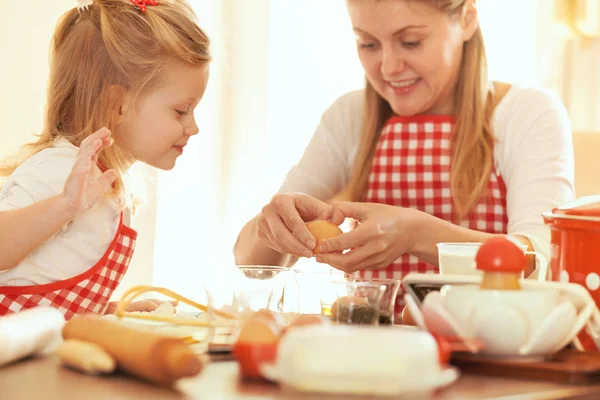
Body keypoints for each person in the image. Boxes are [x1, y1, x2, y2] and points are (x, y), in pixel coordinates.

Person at [234, 0, 574, 317]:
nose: (388, 67)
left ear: (468, 19)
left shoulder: (525, 113)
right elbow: (247, 259)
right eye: (368, 44)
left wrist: (418, 235)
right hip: (376, 354)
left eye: (410, 42)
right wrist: (275, 227)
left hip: (486, 358)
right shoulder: (349, 117)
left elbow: (542, 260)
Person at [0, 0, 210, 319]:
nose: (193, 127)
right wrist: (64, 205)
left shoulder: (105, 184)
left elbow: (48, 289)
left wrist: (105, 311)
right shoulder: (61, 169)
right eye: (182, 110)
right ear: (117, 106)